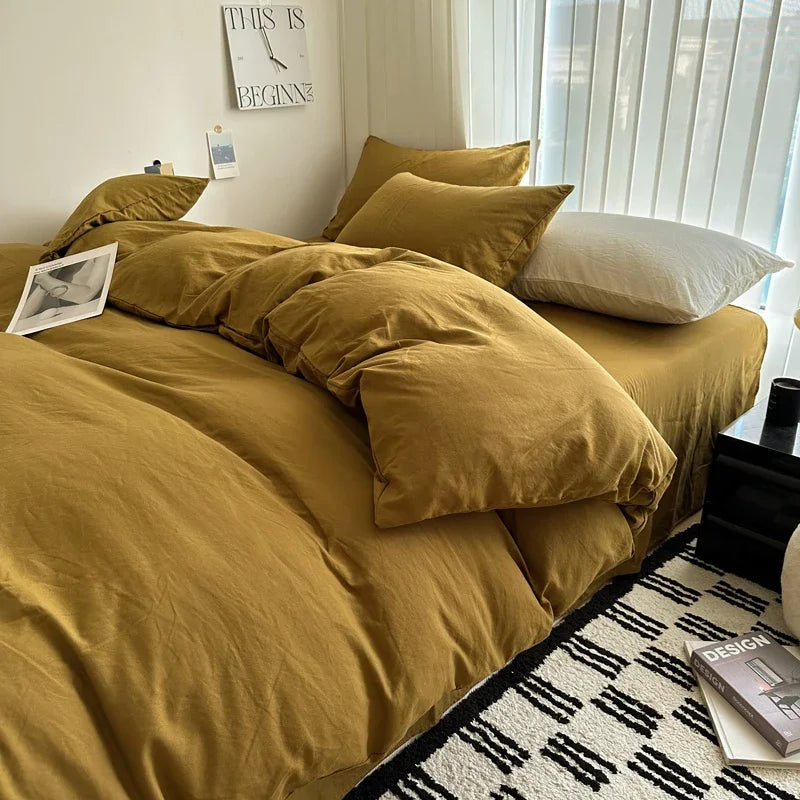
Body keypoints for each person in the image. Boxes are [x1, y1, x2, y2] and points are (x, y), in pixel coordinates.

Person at [16, 255, 108, 329]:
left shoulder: (102, 256)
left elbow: (86, 295)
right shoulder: (62, 256)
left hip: (89, 317)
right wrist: (45, 277)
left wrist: (44, 279)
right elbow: (24, 314)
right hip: (65, 317)